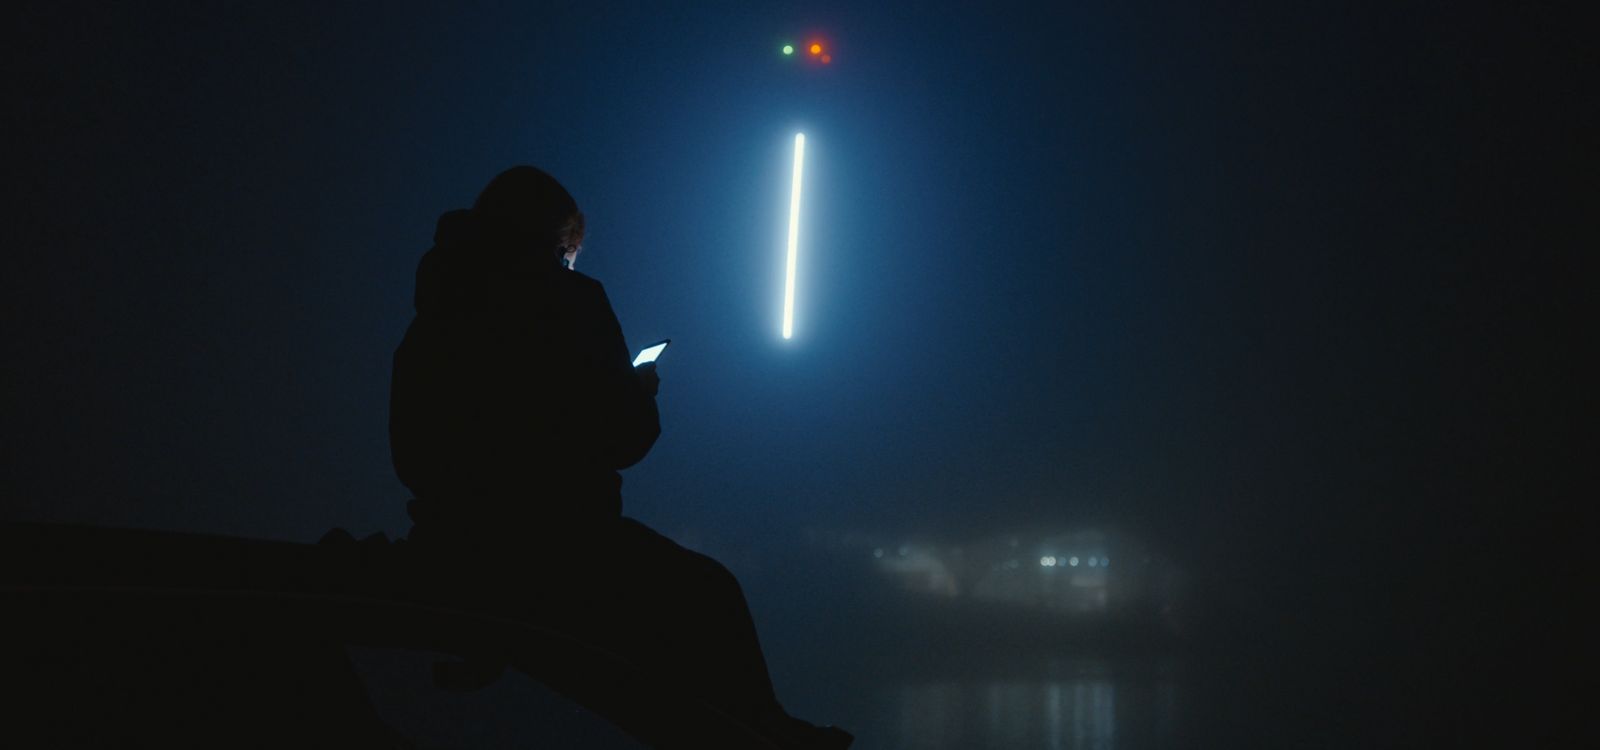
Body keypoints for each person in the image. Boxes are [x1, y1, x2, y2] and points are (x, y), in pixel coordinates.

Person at [389, 166, 851, 748]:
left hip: (449, 540)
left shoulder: (436, 309)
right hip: (557, 546)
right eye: (569, 253)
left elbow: (412, 449)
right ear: (559, 242)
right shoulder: (568, 300)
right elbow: (620, 437)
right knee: (707, 598)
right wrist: (636, 393)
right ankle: (760, 733)